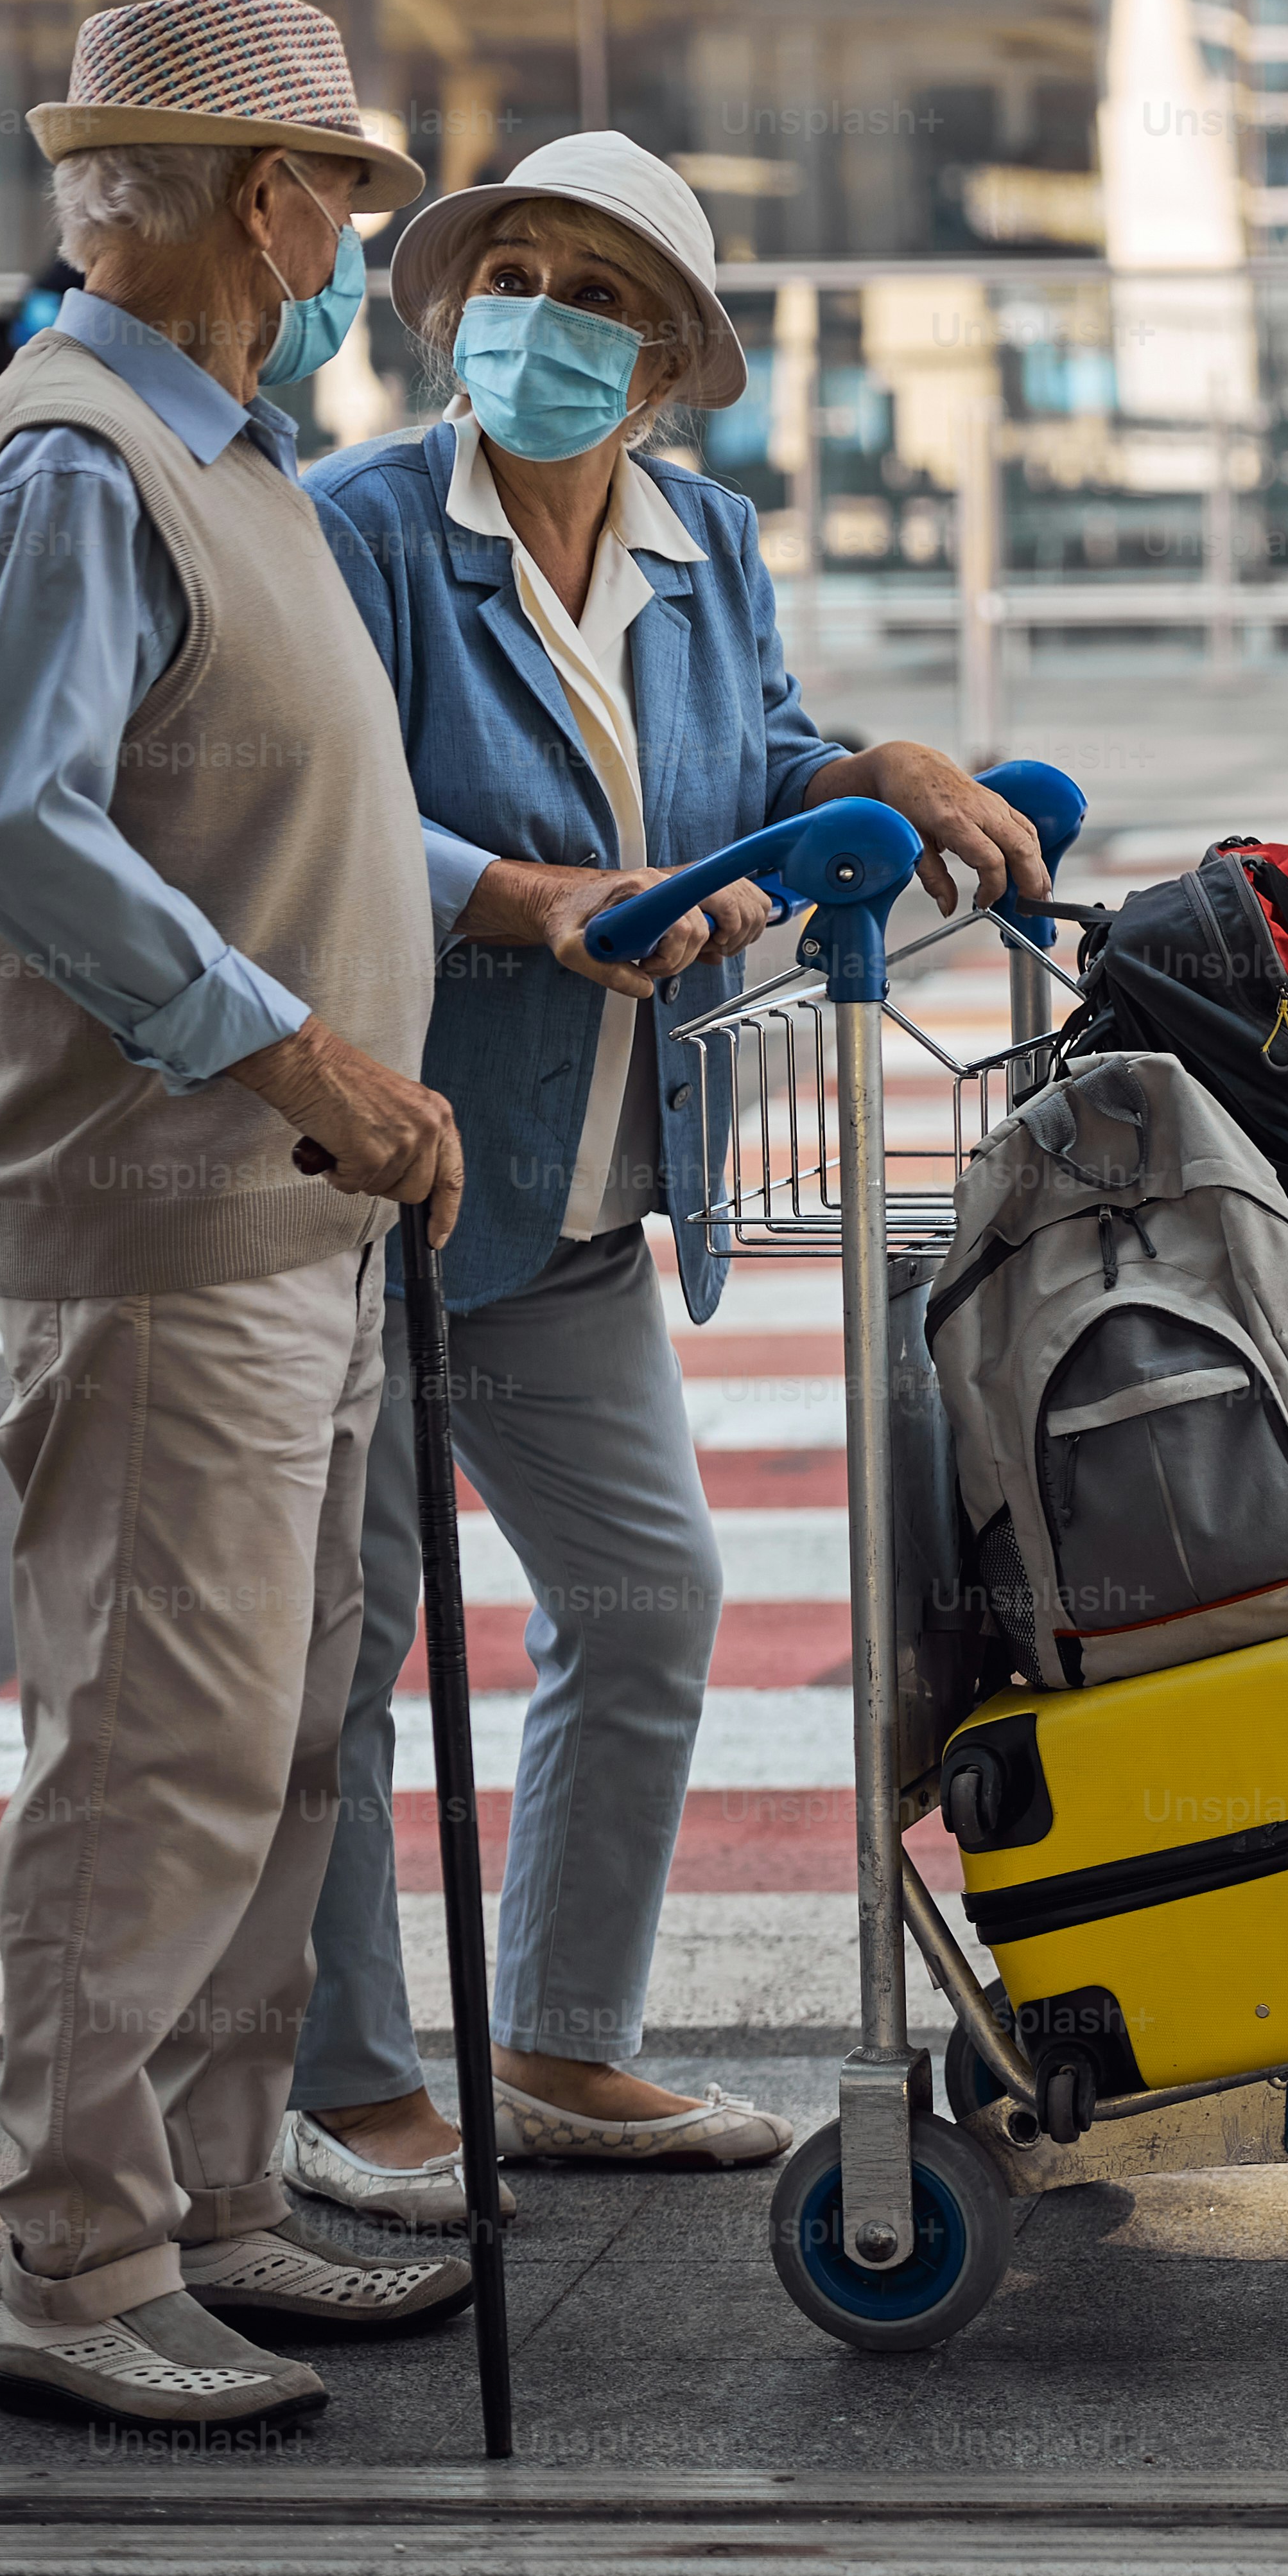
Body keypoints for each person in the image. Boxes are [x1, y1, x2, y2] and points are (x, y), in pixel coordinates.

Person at [280, 132, 1048, 2220]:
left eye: (602, 293)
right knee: (343, 1650)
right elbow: (298, 825)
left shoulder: (706, 542)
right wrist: (527, 899)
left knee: (650, 1607)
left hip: (587, 1187)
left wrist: (872, 770)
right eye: (516, 270)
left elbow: (759, 764)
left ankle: (554, 2044)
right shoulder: (354, 533)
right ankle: (348, 2086)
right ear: (459, 306)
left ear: (669, 362)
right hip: (369, 1170)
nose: (543, 313)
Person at [0, 0, 473, 2436]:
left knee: (268, 1743)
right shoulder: (73, 463)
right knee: (154, 1747)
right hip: (174, 1221)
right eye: (337, 199)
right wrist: (302, 1056)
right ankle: (79, 2254)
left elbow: (281, 793)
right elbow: (24, 827)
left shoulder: (222, 450)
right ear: (261, 208)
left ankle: (219, 2199)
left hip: (299, 1216)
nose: (349, 240)